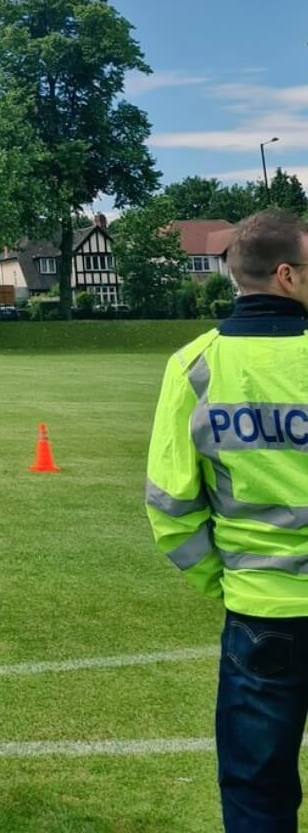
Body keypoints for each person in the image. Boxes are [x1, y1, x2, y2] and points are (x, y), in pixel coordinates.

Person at [146, 209, 308, 832]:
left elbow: (169, 502)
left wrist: (223, 580)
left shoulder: (194, 365)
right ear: (287, 275)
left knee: (254, 790)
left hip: (258, 613)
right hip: (261, 604)